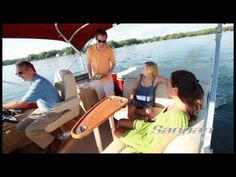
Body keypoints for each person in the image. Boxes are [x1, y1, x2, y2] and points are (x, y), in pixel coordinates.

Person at [114, 70, 204, 153]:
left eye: (168, 85)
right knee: (121, 121)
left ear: (175, 90)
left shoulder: (178, 116)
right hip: (150, 127)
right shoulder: (176, 104)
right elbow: (162, 120)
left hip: (148, 140)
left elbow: (160, 147)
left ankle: (133, 146)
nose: (166, 86)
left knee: (116, 131)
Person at [3, 61, 61, 150]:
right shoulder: (33, 81)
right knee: (20, 126)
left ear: (31, 70)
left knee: (30, 131)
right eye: (17, 74)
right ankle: (46, 140)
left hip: (54, 110)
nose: (19, 76)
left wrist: (4, 106)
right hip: (43, 109)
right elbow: (27, 101)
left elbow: (22, 104)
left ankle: (54, 142)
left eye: (20, 73)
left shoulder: (39, 83)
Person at [86, 28, 116, 100]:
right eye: (99, 41)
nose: (102, 43)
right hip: (97, 79)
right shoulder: (90, 50)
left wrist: (109, 72)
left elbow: (113, 63)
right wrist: (90, 74)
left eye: (104, 41)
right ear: (95, 39)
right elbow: (88, 64)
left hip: (108, 79)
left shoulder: (109, 49)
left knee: (112, 99)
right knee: (101, 100)